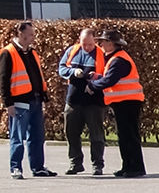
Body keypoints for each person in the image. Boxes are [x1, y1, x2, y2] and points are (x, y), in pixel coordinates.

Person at [1, 20, 57, 179]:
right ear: (20, 33)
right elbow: (3, 80)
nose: (33, 37)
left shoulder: (32, 53)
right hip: (19, 102)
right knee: (17, 137)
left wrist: (44, 95)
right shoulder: (8, 53)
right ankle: (15, 167)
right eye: (30, 34)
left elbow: (38, 76)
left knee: (37, 136)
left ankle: (38, 167)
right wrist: (8, 104)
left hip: (35, 100)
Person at [90, 28, 145, 178]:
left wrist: (92, 86)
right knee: (125, 135)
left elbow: (110, 80)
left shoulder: (119, 60)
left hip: (128, 102)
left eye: (102, 41)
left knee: (129, 135)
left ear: (110, 43)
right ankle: (128, 166)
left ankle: (135, 167)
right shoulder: (115, 58)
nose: (100, 44)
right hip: (124, 102)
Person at [58, 27, 106, 176]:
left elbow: (107, 75)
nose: (86, 47)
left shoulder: (101, 54)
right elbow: (61, 69)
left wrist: (95, 77)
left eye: (89, 44)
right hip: (73, 100)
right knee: (71, 133)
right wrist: (73, 72)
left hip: (94, 101)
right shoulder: (72, 51)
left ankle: (97, 164)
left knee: (96, 135)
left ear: (94, 41)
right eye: (83, 43)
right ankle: (75, 163)